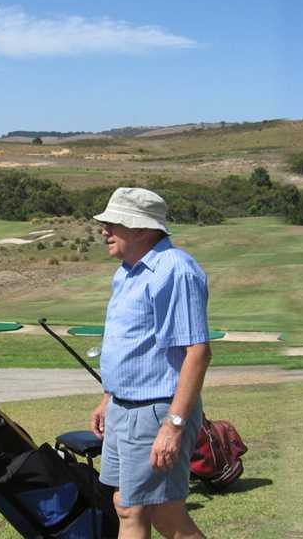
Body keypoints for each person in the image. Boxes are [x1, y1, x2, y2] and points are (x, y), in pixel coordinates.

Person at [90, 187, 211, 539]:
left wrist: (173, 427)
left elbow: (198, 354)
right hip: (124, 408)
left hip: (156, 411)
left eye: (113, 224)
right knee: (126, 505)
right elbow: (134, 346)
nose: (104, 231)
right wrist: (108, 398)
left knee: (160, 512)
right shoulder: (127, 272)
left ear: (141, 228)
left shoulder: (174, 270)